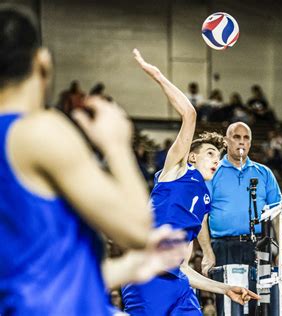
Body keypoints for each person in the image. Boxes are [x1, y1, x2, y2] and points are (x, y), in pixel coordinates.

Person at [0, 5, 188, 315]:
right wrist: (116, 145)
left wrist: (129, 267)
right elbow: (138, 229)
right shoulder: (37, 131)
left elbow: (35, 277)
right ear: (42, 61)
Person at [121, 50, 259, 316]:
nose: (216, 160)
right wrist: (158, 75)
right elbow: (189, 113)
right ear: (192, 156)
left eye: (218, 157)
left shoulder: (203, 203)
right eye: (210, 153)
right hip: (146, 277)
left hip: (179, 286)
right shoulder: (175, 171)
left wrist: (224, 288)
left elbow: (182, 267)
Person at [198, 121, 282, 315]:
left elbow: (278, 217)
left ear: (250, 143)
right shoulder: (212, 172)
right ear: (226, 141)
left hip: (260, 249)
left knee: (264, 308)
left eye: (246, 138)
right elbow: (201, 217)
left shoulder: (264, 173)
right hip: (224, 249)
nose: (241, 142)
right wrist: (207, 252)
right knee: (232, 309)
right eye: (236, 137)